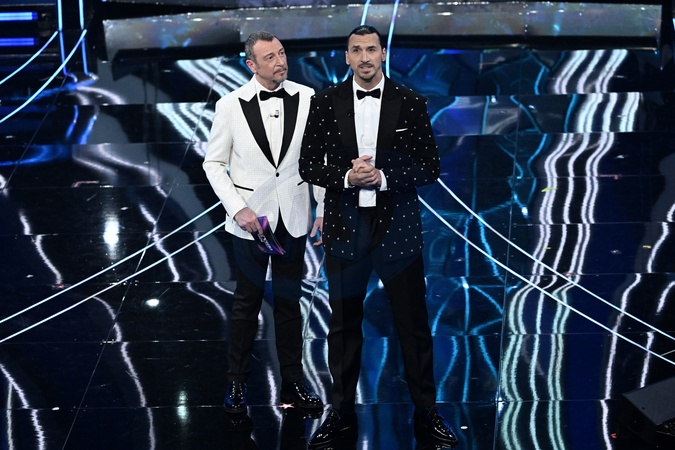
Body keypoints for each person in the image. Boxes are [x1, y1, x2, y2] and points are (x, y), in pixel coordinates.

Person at [299, 25, 459, 449]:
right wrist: (347, 176)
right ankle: (340, 412)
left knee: (413, 327)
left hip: (397, 233)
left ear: (383, 53)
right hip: (344, 230)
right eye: (357, 50)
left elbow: (428, 167)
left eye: (371, 49)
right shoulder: (324, 102)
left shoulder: (410, 102)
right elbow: (308, 165)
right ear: (346, 57)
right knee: (343, 327)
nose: (365, 57)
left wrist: (384, 177)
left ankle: (427, 412)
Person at [204, 30, 324, 414]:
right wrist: (237, 209)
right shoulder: (230, 105)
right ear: (251, 65)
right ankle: (236, 383)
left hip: (293, 216)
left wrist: (322, 208)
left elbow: (317, 158)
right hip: (252, 221)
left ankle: (293, 383)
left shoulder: (307, 98)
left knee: (290, 303)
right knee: (247, 303)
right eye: (270, 57)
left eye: (282, 53)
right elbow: (213, 163)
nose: (280, 62)